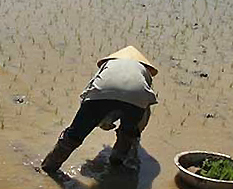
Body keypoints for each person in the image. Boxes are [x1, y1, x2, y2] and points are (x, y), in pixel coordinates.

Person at [41, 46, 158, 174]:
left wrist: (96, 120)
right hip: (137, 97)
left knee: (74, 134)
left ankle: (49, 166)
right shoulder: (143, 71)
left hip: (101, 93)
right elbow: (143, 107)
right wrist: (133, 132)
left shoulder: (110, 64)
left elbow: (88, 94)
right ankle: (117, 161)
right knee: (127, 132)